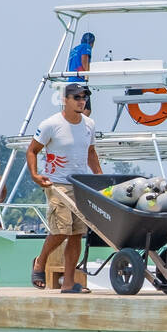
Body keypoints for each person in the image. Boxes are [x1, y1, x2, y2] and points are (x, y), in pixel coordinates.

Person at [26, 82, 102, 293]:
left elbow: (91, 154)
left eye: (83, 97)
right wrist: (34, 174)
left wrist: (101, 180)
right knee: (61, 230)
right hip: (55, 183)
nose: (81, 100)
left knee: (77, 233)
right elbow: (32, 151)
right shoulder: (51, 124)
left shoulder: (89, 124)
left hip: (80, 185)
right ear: (65, 100)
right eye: (76, 97)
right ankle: (40, 262)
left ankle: (68, 283)